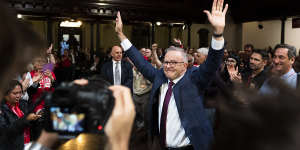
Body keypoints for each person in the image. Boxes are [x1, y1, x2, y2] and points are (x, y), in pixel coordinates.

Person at [114, 0, 227, 149]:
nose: (167, 66)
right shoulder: (159, 77)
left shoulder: (195, 79)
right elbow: (140, 62)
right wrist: (121, 35)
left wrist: (218, 33)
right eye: (166, 62)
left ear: (185, 65)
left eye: (173, 63)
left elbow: (212, 63)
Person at [0, 80, 41, 150]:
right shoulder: (2, 109)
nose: (18, 96)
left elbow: (32, 124)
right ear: (6, 94)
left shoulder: (23, 104)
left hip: (28, 144)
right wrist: (26, 120)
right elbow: (6, 131)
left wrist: (37, 116)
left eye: (20, 93)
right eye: (15, 93)